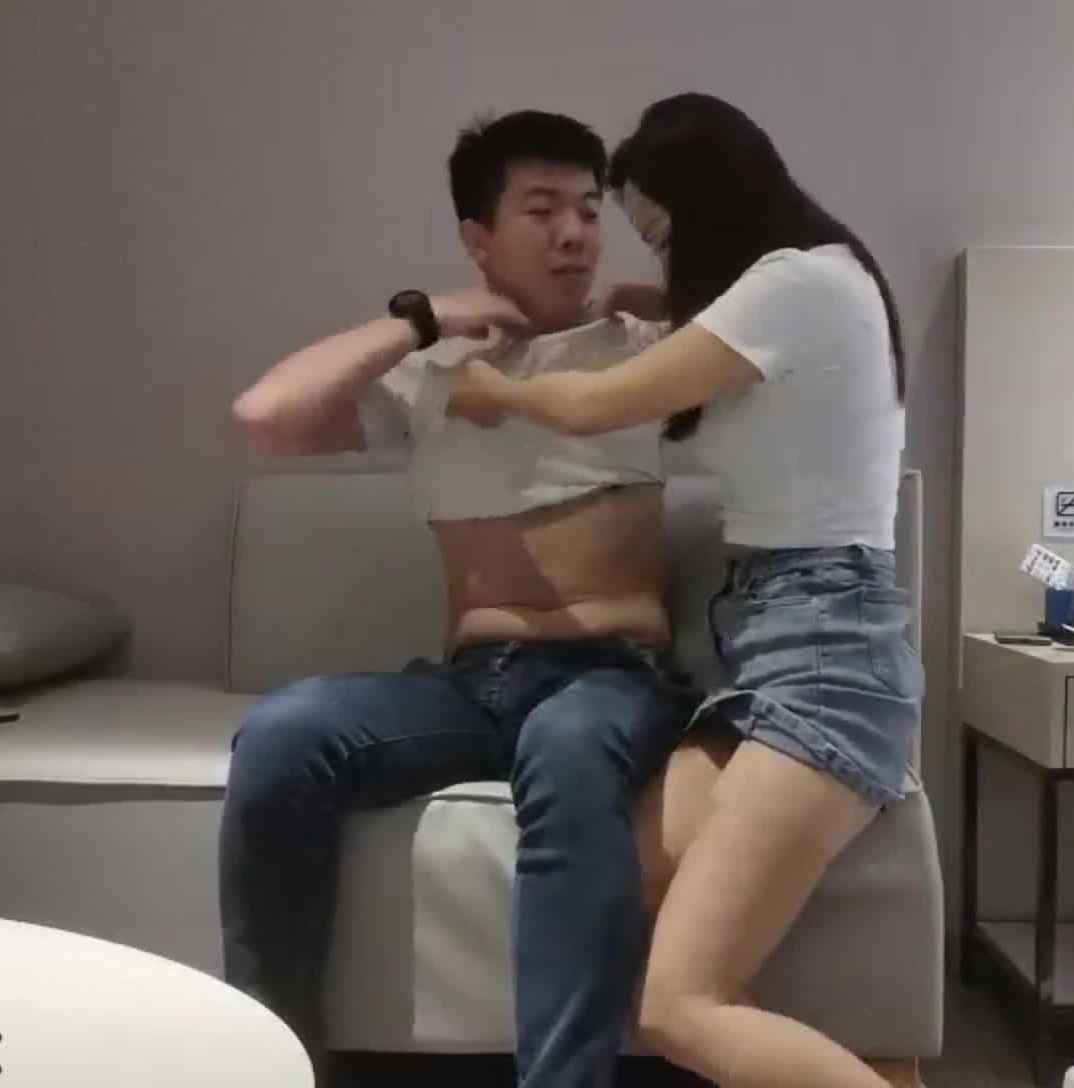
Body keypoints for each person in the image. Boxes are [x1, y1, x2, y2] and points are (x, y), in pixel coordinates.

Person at [444, 93, 937, 1088]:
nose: (660, 255)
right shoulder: (805, 284)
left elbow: (596, 403)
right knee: (616, 890)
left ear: (714, 204)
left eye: (666, 234)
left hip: (827, 656)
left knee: (677, 1006)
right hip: (771, 647)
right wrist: (664, 307)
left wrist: (500, 391)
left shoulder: (796, 282)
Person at [220, 109, 698, 1088]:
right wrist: (422, 317)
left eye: (587, 210)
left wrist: (680, 297)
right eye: (542, 210)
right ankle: (276, 1063)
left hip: (610, 676)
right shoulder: (428, 373)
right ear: (479, 238)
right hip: (471, 685)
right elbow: (268, 415)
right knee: (281, 733)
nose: (575, 234)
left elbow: (791, 350)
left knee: (568, 747)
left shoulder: (647, 350)